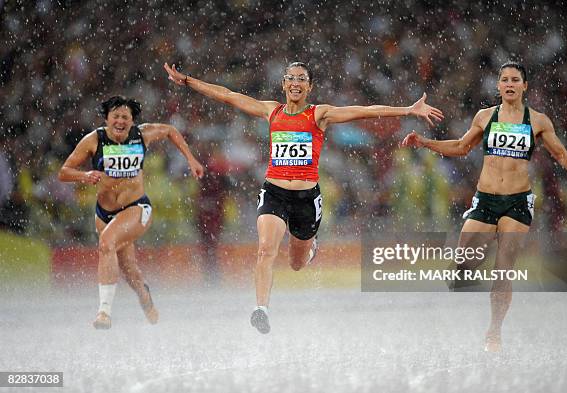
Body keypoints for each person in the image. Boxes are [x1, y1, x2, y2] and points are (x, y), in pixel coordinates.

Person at [164, 61, 444, 334]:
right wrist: (188, 81)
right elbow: (227, 95)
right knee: (265, 250)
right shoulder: (271, 112)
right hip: (274, 193)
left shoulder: (319, 114)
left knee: (296, 263)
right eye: (291, 78)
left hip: (306, 198)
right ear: (283, 84)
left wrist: (407, 109)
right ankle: (261, 309)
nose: (295, 83)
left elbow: (363, 111)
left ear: (309, 87)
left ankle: (309, 247)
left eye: (301, 79)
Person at [401, 61, 567, 352]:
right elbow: (461, 146)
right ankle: (468, 266)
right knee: (465, 260)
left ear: (524, 86)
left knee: (504, 269)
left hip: (518, 202)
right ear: (497, 85)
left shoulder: (538, 121)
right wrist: (425, 142)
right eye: (504, 79)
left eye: (515, 79)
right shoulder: (485, 117)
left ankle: (494, 331)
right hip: (486, 199)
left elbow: (560, 153)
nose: (509, 83)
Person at [58, 96, 204, 329]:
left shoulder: (141, 135)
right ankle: (144, 295)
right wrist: (84, 176)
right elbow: (64, 172)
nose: (120, 121)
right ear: (106, 119)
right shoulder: (94, 140)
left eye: (125, 117)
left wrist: (191, 159)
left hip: (136, 208)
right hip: (104, 213)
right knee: (128, 269)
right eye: (115, 116)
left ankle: (104, 313)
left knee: (106, 243)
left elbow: (169, 130)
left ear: (132, 121)